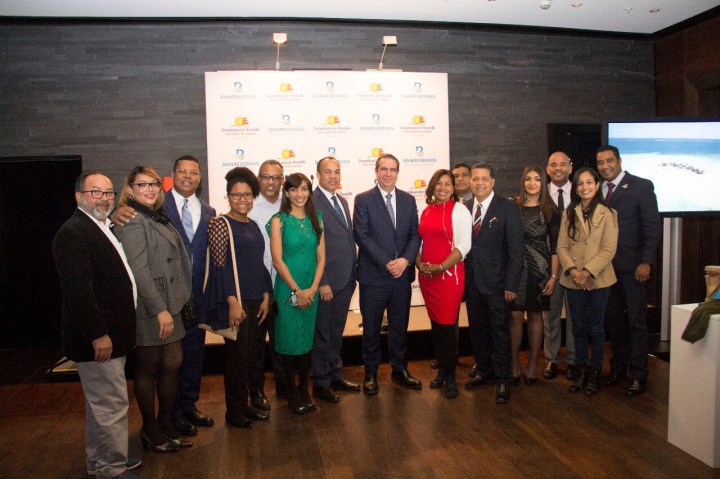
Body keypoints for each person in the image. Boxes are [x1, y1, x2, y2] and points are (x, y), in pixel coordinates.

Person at [53, 171, 143, 479]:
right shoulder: (73, 233)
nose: (104, 198)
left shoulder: (99, 226)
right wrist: (98, 334)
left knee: (99, 406)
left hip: (112, 335)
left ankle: (99, 461)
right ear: (79, 196)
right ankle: (111, 468)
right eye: (96, 192)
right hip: (99, 339)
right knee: (111, 404)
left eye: (108, 193)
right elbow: (79, 292)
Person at [114, 166, 192, 453]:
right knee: (148, 367)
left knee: (173, 363)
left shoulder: (156, 215)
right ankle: (149, 428)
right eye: (142, 184)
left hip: (172, 302)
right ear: (130, 189)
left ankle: (165, 422)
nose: (150, 189)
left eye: (154, 184)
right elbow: (139, 270)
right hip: (151, 306)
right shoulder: (132, 219)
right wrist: (159, 309)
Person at [203, 167, 273, 427]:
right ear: (228, 196)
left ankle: (246, 405)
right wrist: (232, 302)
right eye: (236, 195)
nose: (242, 200)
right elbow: (220, 266)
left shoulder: (252, 225)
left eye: (247, 195)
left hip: (257, 299)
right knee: (236, 358)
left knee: (252, 355)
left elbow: (258, 263)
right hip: (237, 302)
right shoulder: (220, 224)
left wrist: (266, 296)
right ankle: (234, 411)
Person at [354, 153, 422, 395]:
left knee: (399, 326)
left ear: (398, 173)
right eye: (383, 169)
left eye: (393, 169)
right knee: (371, 328)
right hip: (374, 277)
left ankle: (399, 369)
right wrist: (387, 262)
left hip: (402, 276)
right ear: (376, 171)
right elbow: (362, 235)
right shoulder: (363, 200)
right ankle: (370, 372)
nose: (388, 173)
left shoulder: (408, 200)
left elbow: (415, 235)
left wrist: (405, 260)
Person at [596, 145, 661, 397]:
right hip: (606, 269)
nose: (605, 166)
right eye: (600, 162)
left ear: (619, 160)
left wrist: (646, 262)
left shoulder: (641, 186)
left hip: (633, 268)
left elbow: (652, 227)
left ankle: (639, 374)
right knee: (613, 322)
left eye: (609, 161)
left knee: (636, 322)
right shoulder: (598, 189)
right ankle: (618, 368)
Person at [163, 155, 216, 437]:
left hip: (198, 295)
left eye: (193, 172)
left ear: (199, 177)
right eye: (182, 171)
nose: (187, 176)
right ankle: (170, 413)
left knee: (194, 354)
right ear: (173, 174)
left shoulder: (208, 211)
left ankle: (189, 405)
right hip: (169, 297)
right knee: (172, 360)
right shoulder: (158, 205)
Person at [463, 162, 523, 404]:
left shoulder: (507, 207)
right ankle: (483, 370)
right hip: (472, 282)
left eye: (484, 179)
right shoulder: (464, 208)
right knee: (477, 330)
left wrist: (511, 284)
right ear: (470, 182)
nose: (479, 183)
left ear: (493, 182)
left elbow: (516, 251)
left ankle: (503, 379)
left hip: (498, 284)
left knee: (500, 332)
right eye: (475, 178)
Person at [557, 167, 618, 396]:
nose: (585, 187)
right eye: (580, 183)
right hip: (573, 279)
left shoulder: (608, 213)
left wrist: (588, 272)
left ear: (597, 185)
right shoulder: (568, 213)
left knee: (596, 328)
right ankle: (581, 370)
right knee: (578, 327)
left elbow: (609, 249)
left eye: (589, 182)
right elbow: (561, 246)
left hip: (599, 280)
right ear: (575, 188)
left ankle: (595, 373)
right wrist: (574, 271)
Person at [268, 173, 326, 414]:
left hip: (311, 290)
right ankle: (291, 392)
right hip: (288, 289)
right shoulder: (278, 220)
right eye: (294, 189)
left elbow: (321, 258)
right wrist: (297, 290)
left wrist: (312, 288)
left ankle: (304, 390)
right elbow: (277, 260)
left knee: (305, 342)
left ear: (309, 192)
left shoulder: (317, 219)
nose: (299, 194)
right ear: (287, 193)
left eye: (304, 189)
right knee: (289, 340)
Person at [416, 169, 472, 399]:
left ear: (453, 188)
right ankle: (442, 371)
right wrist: (420, 265)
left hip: (449, 277)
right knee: (437, 326)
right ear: (432, 186)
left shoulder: (459, 210)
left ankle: (451, 378)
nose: (443, 188)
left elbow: (463, 246)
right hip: (428, 278)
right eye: (439, 183)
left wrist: (440, 267)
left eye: (448, 184)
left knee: (448, 328)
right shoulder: (426, 210)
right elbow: (419, 244)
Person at [311, 157, 361, 403]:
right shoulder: (311, 202)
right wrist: (322, 281)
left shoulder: (341, 200)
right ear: (318, 175)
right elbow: (313, 246)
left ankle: (335, 375)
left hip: (346, 279)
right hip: (327, 282)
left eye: (337, 172)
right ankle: (321, 382)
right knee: (322, 333)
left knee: (336, 331)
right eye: (328, 172)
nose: (333, 176)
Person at [508, 165, 560, 385]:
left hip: (540, 270)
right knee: (514, 316)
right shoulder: (513, 207)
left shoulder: (549, 209)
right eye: (528, 179)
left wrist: (553, 277)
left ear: (543, 183)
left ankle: (532, 365)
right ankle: (513, 364)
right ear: (523, 182)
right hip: (516, 269)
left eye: (537, 179)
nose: (532, 183)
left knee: (536, 316)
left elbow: (556, 247)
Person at [247, 159, 286, 409]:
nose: (271, 182)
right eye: (266, 177)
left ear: (283, 180)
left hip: (285, 287)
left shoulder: (291, 204)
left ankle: (284, 388)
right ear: (258, 179)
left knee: (283, 342)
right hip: (258, 289)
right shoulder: (248, 207)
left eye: (276, 177)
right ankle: (257, 392)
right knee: (256, 345)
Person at [543, 151, 578, 381]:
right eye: (553, 165)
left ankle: (574, 360)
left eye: (562, 164)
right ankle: (551, 359)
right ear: (547, 169)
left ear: (570, 167)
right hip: (548, 267)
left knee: (575, 316)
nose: (558, 168)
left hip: (576, 266)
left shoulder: (582, 191)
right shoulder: (540, 194)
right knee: (550, 315)